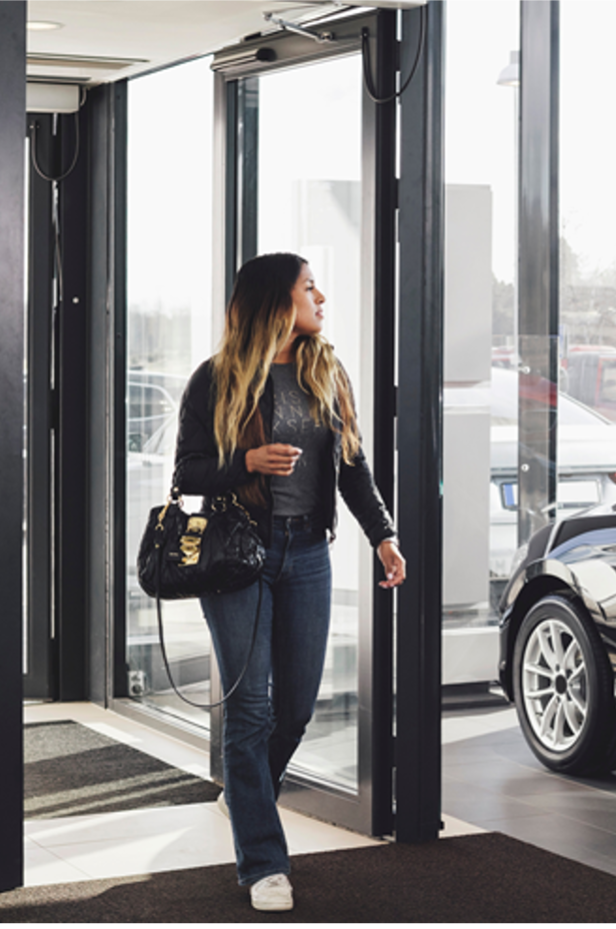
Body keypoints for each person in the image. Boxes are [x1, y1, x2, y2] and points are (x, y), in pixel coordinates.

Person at [173, 252, 406, 913]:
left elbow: (353, 470)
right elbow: (187, 472)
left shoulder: (326, 373)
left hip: (308, 553)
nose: (321, 296)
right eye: (310, 286)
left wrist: (383, 534)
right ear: (279, 300)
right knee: (250, 710)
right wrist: (245, 460)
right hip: (239, 556)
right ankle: (264, 864)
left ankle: (246, 792)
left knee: (296, 706)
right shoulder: (215, 380)